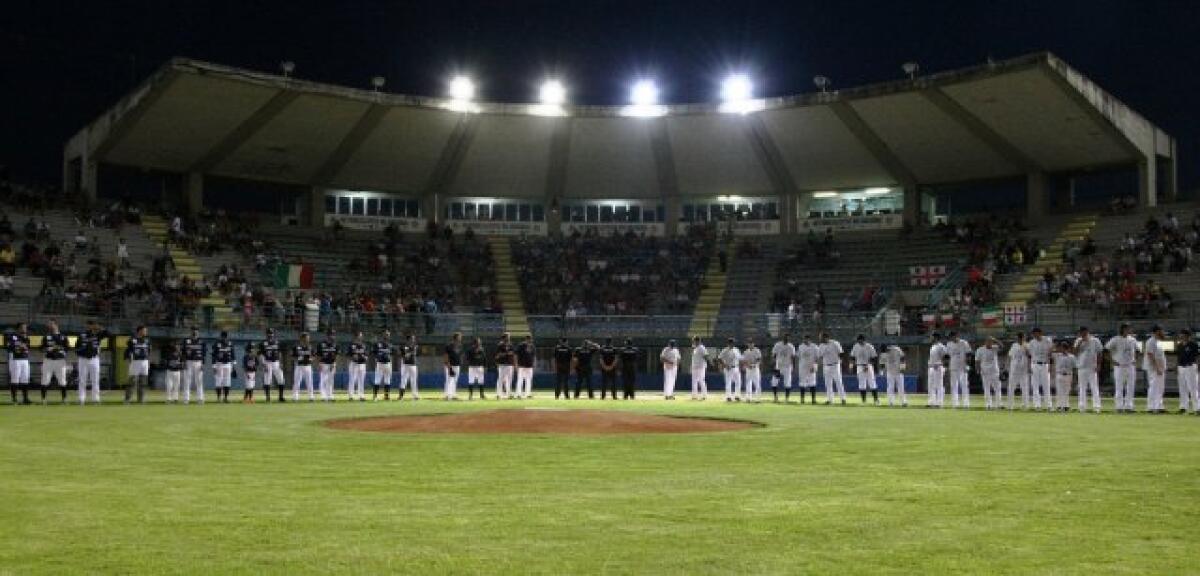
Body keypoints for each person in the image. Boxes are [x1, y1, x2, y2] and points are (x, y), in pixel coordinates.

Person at [1105, 323, 1138, 413]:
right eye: (1127, 329)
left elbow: (1137, 350)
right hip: (1119, 366)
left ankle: (1129, 406)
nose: (1129, 330)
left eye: (1129, 329)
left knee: (1131, 386)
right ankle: (1119, 406)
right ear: (1122, 329)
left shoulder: (1132, 339)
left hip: (1130, 365)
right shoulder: (1115, 339)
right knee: (1119, 387)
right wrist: (1112, 361)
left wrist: (1135, 359)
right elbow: (1106, 350)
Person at [1073, 326, 1103, 414]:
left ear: (1087, 331)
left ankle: (1097, 407)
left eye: (1083, 332)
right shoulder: (1078, 341)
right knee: (1082, 388)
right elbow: (1074, 352)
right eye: (1081, 332)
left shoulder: (1095, 340)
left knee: (1094, 387)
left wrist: (1099, 364)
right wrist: (1080, 343)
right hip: (1081, 367)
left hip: (1092, 367)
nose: (1082, 334)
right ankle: (1082, 407)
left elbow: (1100, 353)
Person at [75, 320, 106, 405]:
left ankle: (95, 398)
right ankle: (81, 398)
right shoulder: (82, 335)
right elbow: (76, 348)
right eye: (89, 325)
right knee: (82, 380)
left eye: (92, 325)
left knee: (95, 379)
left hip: (94, 359)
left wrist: (100, 328)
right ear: (86, 326)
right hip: (83, 359)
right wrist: (82, 352)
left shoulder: (98, 335)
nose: (90, 327)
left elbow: (109, 334)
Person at [40, 320, 70, 404]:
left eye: (52, 324)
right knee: (45, 380)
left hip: (60, 361)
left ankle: (64, 399)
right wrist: (47, 349)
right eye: (49, 324)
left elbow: (68, 348)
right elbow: (41, 348)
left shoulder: (63, 337)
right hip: (48, 360)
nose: (50, 326)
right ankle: (43, 399)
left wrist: (61, 351)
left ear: (56, 325)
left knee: (62, 380)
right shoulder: (46, 337)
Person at [1026, 328, 1054, 411]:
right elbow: (1029, 355)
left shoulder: (1047, 340)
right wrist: (1029, 366)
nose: (1035, 335)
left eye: (1036, 333)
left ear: (1040, 333)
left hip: (1044, 364)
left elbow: (1051, 351)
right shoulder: (1031, 342)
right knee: (1035, 385)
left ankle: (1049, 405)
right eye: (1033, 334)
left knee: (1046, 385)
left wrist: (1050, 365)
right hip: (1035, 364)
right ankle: (1037, 405)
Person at [122, 325, 150, 404]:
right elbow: (128, 349)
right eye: (144, 330)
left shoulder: (147, 340)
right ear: (139, 331)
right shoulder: (133, 339)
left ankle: (141, 399)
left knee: (143, 381)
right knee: (132, 381)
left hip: (144, 361)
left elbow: (149, 351)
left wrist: (148, 361)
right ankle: (127, 399)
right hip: (135, 361)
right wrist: (127, 359)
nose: (145, 332)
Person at [849, 334, 878, 405]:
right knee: (862, 384)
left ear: (863, 340)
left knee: (872, 383)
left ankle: (876, 400)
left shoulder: (869, 346)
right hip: (859, 366)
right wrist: (851, 366)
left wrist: (868, 365)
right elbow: (852, 357)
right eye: (858, 340)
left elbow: (874, 358)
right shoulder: (856, 346)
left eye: (860, 340)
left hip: (868, 366)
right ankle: (863, 401)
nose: (859, 342)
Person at [1143, 325, 1167, 414]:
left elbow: (1160, 355)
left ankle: (1159, 406)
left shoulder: (1158, 341)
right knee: (1154, 387)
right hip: (1154, 368)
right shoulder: (1151, 341)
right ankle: (1151, 406)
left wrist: (1161, 367)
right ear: (1157, 331)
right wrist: (1157, 367)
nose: (1162, 332)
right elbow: (1150, 355)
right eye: (1161, 331)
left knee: (1160, 387)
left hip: (1160, 366)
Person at [974, 336, 1002, 410]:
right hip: (985, 372)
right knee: (987, 389)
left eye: (991, 342)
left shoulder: (995, 348)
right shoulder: (980, 350)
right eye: (988, 341)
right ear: (985, 342)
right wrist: (978, 370)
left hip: (995, 371)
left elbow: (1002, 346)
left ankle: (999, 404)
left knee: (998, 388)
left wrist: (995, 339)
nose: (989, 343)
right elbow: (977, 361)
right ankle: (988, 404)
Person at [7, 322, 31, 405]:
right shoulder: (12, 336)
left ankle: (25, 398)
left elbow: (27, 347)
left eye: (25, 327)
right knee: (15, 379)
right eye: (23, 327)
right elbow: (10, 347)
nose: (25, 329)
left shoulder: (26, 337)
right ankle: (14, 399)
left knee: (25, 379)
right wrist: (20, 345)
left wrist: (20, 345)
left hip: (25, 359)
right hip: (15, 359)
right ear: (19, 328)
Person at [946, 332, 972, 409]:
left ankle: (966, 404)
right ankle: (955, 403)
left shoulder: (964, 343)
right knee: (954, 386)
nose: (951, 338)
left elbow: (969, 354)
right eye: (950, 337)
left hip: (962, 367)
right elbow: (947, 356)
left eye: (952, 336)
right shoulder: (949, 344)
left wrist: (968, 365)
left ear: (956, 335)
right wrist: (947, 366)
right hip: (953, 367)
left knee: (964, 386)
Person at [1176, 329, 1199, 414]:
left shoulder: (1193, 345)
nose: (1181, 336)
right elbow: (1178, 357)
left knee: (1193, 388)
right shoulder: (1179, 345)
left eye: (1183, 335)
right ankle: (1183, 407)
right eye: (1181, 334)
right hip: (1181, 367)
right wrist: (1177, 367)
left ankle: (1197, 408)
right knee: (1182, 388)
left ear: (1187, 336)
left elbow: (1197, 357)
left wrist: (1197, 367)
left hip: (1191, 366)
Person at [818, 332, 845, 405]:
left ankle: (843, 399)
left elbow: (841, 353)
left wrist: (840, 362)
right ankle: (830, 400)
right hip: (826, 366)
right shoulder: (821, 346)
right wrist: (820, 364)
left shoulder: (835, 343)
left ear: (826, 337)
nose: (820, 339)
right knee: (828, 384)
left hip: (835, 365)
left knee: (838, 382)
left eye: (821, 337)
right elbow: (820, 356)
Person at [259, 328, 285, 403]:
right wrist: (263, 364)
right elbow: (260, 355)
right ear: (266, 334)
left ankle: (281, 397)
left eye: (272, 333)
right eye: (269, 333)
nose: (270, 335)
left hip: (276, 362)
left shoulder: (277, 342)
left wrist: (281, 362)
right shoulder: (263, 343)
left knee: (281, 379)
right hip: (267, 362)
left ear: (274, 334)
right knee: (267, 380)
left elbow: (279, 353)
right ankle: (268, 397)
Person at [181, 327, 206, 405]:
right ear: (190, 332)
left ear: (198, 332)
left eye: (196, 331)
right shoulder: (186, 341)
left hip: (198, 362)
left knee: (199, 381)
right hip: (188, 362)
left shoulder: (202, 341)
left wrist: (203, 364)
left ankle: (200, 399)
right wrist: (183, 363)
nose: (194, 332)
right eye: (193, 331)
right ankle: (186, 399)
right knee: (187, 381)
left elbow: (204, 354)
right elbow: (183, 353)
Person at [1006, 332, 1030, 410]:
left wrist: (1026, 348)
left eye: (1023, 338)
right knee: (1011, 387)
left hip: (1023, 369)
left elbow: (1030, 356)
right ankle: (1010, 404)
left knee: (1024, 387)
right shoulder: (1014, 345)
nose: (1021, 339)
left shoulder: (1027, 345)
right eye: (1020, 338)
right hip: (1014, 369)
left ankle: (1025, 404)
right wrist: (1007, 366)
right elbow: (1009, 356)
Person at [211, 331, 235, 403]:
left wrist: (233, 366)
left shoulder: (230, 343)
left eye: (226, 336)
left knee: (227, 381)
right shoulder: (217, 344)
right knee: (218, 381)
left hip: (228, 364)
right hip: (219, 364)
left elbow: (233, 354)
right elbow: (213, 355)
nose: (225, 338)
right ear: (221, 336)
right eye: (223, 336)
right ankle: (218, 398)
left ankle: (226, 398)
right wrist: (214, 366)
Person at [1051, 340, 1076, 412]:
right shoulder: (1057, 355)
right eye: (1061, 347)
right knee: (1059, 391)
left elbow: (1074, 367)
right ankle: (1059, 406)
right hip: (1059, 374)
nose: (1062, 349)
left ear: (1067, 348)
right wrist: (1055, 345)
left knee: (1066, 391)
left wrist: (1074, 378)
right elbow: (1050, 353)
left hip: (1068, 375)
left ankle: (1066, 406)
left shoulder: (1072, 357)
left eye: (1064, 348)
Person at [770, 335, 796, 402]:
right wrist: (774, 365)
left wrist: (793, 366)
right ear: (783, 338)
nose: (786, 339)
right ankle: (775, 397)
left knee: (787, 383)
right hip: (778, 366)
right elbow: (774, 355)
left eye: (787, 338)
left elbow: (793, 357)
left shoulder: (791, 346)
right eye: (785, 338)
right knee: (774, 382)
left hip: (787, 367)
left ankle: (786, 398)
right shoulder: (777, 345)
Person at [796, 334, 819, 404]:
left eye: (806, 339)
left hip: (811, 367)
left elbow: (817, 357)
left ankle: (813, 399)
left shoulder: (815, 347)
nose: (805, 341)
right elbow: (798, 356)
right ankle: (802, 399)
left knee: (812, 383)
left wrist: (815, 366)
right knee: (802, 383)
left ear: (809, 340)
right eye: (804, 339)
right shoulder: (800, 347)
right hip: (802, 368)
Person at [292, 332, 315, 402]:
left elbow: (313, 356)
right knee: (297, 382)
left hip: (308, 366)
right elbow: (293, 356)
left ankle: (311, 396)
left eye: (308, 338)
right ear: (301, 338)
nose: (307, 339)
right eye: (305, 338)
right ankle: (295, 397)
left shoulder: (310, 347)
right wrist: (298, 359)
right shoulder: (296, 347)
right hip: (299, 366)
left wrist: (311, 359)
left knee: (309, 382)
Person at [317, 330, 339, 402]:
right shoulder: (321, 344)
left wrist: (334, 363)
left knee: (330, 380)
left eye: (333, 335)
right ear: (327, 335)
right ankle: (323, 396)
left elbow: (336, 355)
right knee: (323, 380)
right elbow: (319, 354)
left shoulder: (335, 344)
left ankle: (330, 396)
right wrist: (319, 363)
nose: (333, 336)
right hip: (323, 363)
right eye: (331, 335)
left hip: (332, 364)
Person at [927, 333, 947, 408]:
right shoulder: (933, 346)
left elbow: (946, 357)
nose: (931, 338)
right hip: (931, 367)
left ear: (936, 337)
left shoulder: (941, 346)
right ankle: (931, 402)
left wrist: (940, 364)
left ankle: (939, 403)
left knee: (939, 385)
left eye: (932, 337)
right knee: (930, 385)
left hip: (938, 367)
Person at [372, 330, 394, 401]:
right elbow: (373, 352)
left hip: (388, 363)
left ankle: (386, 396)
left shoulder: (390, 344)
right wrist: (376, 358)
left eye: (388, 334)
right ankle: (375, 396)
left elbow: (392, 353)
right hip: (380, 363)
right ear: (383, 335)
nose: (387, 336)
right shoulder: (378, 343)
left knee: (387, 380)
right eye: (386, 334)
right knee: (377, 380)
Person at [346, 332, 368, 402]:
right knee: (352, 380)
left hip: (362, 364)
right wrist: (353, 357)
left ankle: (361, 395)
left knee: (361, 381)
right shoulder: (352, 345)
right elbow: (348, 355)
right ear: (356, 336)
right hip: (354, 364)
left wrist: (365, 357)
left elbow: (366, 355)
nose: (361, 337)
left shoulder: (364, 345)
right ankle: (351, 396)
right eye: (359, 336)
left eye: (361, 336)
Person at [718, 338, 742, 402]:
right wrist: (725, 365)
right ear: (729, 343)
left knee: (738, 382)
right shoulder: (725, 350)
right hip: (729, 368)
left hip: (736, 367)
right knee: (728, 383)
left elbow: (740, 359)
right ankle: (728, 396)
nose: (733, 344)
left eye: (733, 343)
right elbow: (719, 358)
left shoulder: (736, 350)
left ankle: (737, 396)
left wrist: (740, 367)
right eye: (732, 343)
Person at [399, 334, 420, 400]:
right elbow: (403, 355)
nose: (413, 340)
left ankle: (415, 396)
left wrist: (408, 353)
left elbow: (414, 350)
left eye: (413, 338)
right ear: (408, 339)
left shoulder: (415, 346)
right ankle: (401, 396)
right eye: (412, 338)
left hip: (413, 365)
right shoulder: (403, 346)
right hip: (405, 365)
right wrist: (406, 354)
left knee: (414, 381)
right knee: (404, 380)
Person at [494, 333, 515, 400]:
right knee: (500, 379)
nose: (509, 338)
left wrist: (513, 363)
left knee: (509, 380)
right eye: (508, 337)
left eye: (509, 337)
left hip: (509, 364)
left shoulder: (510, 345)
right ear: (504, 338)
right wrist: (506, 353)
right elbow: (497, 355)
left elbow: (513, 353)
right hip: (502, 364)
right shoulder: (500, 345)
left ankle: (508, 394)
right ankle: (498, 394)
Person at [443, 332, 463, 401]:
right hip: (450, 365)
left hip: (457, 366)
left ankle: (453, 394)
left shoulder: (460, 346)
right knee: (449, 380)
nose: (460, 338)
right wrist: (449, 366)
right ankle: (448, 395)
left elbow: (459, 355)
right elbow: (446, 356)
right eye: (459, 337)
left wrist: (460, 363)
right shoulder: (449, 346)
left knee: (455, 381)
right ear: (455, 338)